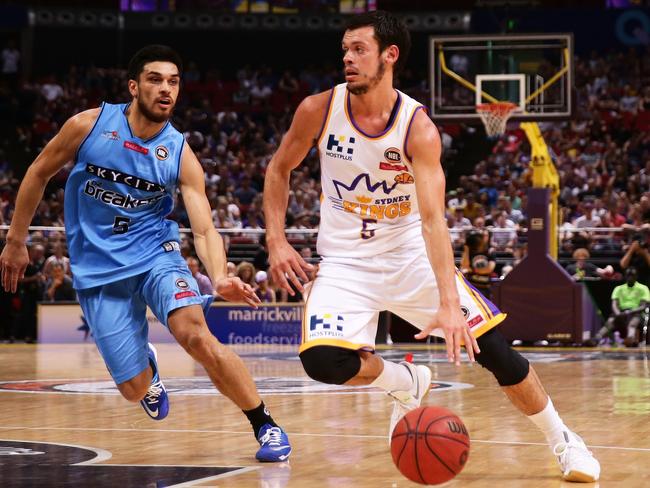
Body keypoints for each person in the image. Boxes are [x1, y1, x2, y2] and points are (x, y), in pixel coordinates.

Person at [262, 11, 598, 482]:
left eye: (359, 49)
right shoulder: (318, 109)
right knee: (321, 360)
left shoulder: (417, 128)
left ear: (389, 55)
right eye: (345, 50)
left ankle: (564, 440)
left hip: (409, 258)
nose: (348, 59)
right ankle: (406, 381)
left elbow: (435, 220)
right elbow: (278, 169)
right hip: (345, 262)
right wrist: (276, 241)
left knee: (493, 351)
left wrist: (447, 304)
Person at [0, 45, 290, 462]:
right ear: (134, 87)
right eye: (155, 79)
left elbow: (203, 226)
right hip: (98, 269)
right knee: (133, 389)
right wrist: (16, 240)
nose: (166, 89)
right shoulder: (89, 125)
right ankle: (148, 373)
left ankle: (266, 426)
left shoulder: (179, 153)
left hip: (157, 254)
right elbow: (38, 172)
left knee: (195, 335)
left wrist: (220, 274)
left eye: (173, 81)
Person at [590, 267, 650, 347]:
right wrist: (618, 313)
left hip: (636, 313)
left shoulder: (643, 288)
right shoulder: (618, 288)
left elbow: (643, 306)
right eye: (628, 275)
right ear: (625, 276)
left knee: (633, 323)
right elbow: (614, 304)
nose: (630, 278)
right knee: (610, 321)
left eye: (632, 276)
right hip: (620, 312)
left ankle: (630, 339)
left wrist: (629, 312)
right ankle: (596, 339)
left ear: (636, 276)